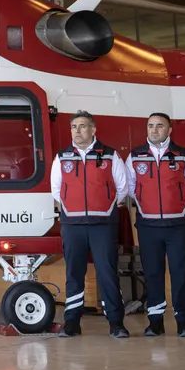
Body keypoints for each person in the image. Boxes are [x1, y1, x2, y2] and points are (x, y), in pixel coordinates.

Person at [50, 111, 130, 339]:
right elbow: (56, 189)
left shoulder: (110, 155)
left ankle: (116, 322)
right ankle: (72, 321)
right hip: (72, 224)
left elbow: (121, 187)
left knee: (107, 272)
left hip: (102, 224)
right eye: (74, 126)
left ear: (93, 130)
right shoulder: (62, 157)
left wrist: (104, 205)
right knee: (74, 273)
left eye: (82, 126)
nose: (77, 130)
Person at [127, 113, 185, 337]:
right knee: (152, 273)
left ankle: (183, 320)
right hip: (148, 225)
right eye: (150, 126)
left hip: (178, 225)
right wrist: (145, 201)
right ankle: (155, 321)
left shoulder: (183, 155)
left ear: (169, 130)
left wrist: (180, 201)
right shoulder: (135, 156)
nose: (154, 130)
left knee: (180, 272)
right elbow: (130, 186)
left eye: (160, 126)